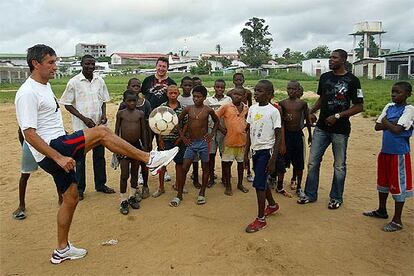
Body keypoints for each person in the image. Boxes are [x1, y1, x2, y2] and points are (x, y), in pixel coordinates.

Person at [15, 44, 178, 264]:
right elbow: (29, 134)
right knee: (102, 133)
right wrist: (58, 157)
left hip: (56, 144)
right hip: (53, 148)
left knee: (70, 198)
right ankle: (149, 159)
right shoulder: (27, 92)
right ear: (36, 64)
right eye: (51, 62)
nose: (56, 66)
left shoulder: (43, 86)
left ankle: (61, 249)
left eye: (55, 62)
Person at [297, 49, 364, 209]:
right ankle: (310, 194)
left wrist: (338, 116)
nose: (331, 60)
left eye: (334, 58)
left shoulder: (353, 80)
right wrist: (311, 112)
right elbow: (323, 98)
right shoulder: (325, 77)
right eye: (330, 57)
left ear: (343, 60)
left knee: (339, 165)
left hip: (340, 130)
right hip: (321, 128)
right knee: (313, 162)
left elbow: (359, 106)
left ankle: (336, 197)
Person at [60, 54, 114, 200]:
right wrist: (83, 118)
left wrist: (104, 114)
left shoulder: (100, 80)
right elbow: (67, 104)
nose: (90, 67)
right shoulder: (73, 82)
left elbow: (103, 100)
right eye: (87, 64)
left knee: (99, 156)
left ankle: (101, 184)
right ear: (81, 64)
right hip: (81, 128)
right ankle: (80, 188)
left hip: (98, 126)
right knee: (80, 159)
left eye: (92, 64)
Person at [363, 82, 413, 232]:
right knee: (383, 182)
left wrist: (386, 122)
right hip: (385, 151)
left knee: (398, 185)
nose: (394, 95)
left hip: (399, 153)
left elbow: (397, 130)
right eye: (393, 92)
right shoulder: (389, 106)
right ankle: (381, 210)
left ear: (407, 95)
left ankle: (397, 220)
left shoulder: (409, 109)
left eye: (398, 92)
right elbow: (377, 126)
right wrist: (390, 123)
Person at [169, 85, 219, 207]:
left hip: (203, 143)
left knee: (205, 168)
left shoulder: (208, 110)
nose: (196, 99)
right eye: (194, 96)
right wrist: (183, 137)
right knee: (184, 168)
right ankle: (179, 195)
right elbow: (177, 121)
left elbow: (217, 121)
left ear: (204, 97)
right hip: (191, 143)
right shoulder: (188, 109)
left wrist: (211, 134)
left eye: (198, 97)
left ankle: (202, 193)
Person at [244, 80, 282, 233]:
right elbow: (249, 131)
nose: (256, 93)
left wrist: (273, 159)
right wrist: (246, 153)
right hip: (255, 151)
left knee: (259, 184)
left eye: (260, 91)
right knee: (261, 179)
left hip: (266, 152)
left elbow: (278, 136)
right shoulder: (252, 109)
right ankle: (272, 205)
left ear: (269, 94)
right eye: (256, 90)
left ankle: (261, 219)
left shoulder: (274, 111)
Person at [13, 128, 63, 219]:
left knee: (25, 175)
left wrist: (24, 146)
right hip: (37, 144)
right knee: (55, 172)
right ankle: (21, 205)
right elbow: (21, 131)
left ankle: (21, 205)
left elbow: (20, 132)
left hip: (37, 144)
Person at [115, 90, 149, 215]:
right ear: (124, 101)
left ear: (137, 101)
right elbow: (116, 132)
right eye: (129, 101)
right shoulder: (121, 114)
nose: (132, 103)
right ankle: (123, 200)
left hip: (136, 147)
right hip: (124, 147)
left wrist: (144, 147)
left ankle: (132, 196)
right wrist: (116, 148)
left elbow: (144, 132)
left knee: (135, 172)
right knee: (124, 174)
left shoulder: (140, 114)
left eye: (134, 100)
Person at [118, 78, 152, 199]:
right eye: (133, 86)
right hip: (127, 142)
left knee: (143, 163)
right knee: (127, 171)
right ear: (128, 87)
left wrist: (146, 142)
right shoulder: (123, 106)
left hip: (143, 138)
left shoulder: (145, 103)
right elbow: (120, 126)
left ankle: (145, 186)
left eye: (138, 86)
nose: (136, 87)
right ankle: (133, 191)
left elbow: (148, 122)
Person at [279, 80, 312, 197]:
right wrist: (282, 141)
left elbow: (307, 120)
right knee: (282, 161)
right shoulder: (282, 103)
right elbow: (281, 123)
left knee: (299, 163)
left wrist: (310, 135)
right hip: (286, 135)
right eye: (289, 88)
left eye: (293, 89)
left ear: (298, 90)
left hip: (297, 134)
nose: (291, 91)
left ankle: (298, 187)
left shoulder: (302, 104)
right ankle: (279, 184)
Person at [154, 85, 187, 198]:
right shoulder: (162, 108)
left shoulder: (183, 108)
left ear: (178, 93)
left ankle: (178, 185)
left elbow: (186, 124)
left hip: (178, 141)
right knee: (162, 164)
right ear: (167, 94)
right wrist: (160, 139)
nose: (173, 95)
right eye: (170, 93)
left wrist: (180, 138)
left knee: (179, 164)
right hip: (165, 140)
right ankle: (161, 187)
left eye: (175, 93)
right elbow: (157, 124)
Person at [216, 88, 249, 195]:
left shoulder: (246, 108)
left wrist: (245, 129)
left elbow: (249, 120)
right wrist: (221, 129)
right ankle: (228, 186)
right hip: (229, 142)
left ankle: (240, 184)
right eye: (235, 94)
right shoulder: (226, 107)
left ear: (244, 96)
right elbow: (215, 116)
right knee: (227, 164)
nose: (237, 96)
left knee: (241, 164)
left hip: (242, 142)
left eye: (240, 95)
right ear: (231, 95)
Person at [204, 79, 232, 187]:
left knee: (224, 155)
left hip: (224, 131)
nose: (220, 89)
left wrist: (223, 128)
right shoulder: (208, 100)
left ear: (224, 88)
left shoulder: (228, 100)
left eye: (222, 87)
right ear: (214, 87)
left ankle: (225, 178)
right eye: (217, 87)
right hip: (211, 131)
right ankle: (211, 177)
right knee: (211, 155)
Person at [228, 72, 254, 181]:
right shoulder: (230, 93)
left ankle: (248, 171)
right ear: (233, 81)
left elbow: (250, 107)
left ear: (243, 80)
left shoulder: (247, 93)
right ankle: (228, 173)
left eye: (240, 80)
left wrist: (249, 122)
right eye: (236, 80)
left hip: (245, 121)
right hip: (234, 121)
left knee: (245, 147)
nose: (238, 82)